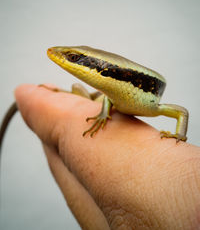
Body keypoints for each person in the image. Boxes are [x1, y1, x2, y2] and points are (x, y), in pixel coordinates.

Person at [15, 84, 200, 229]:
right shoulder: (110, 97)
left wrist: (180, 136)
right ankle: (60, 91)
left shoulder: (143, 104)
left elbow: (182, 112)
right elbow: (107, 99)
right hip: (87, 100)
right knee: (77, 89)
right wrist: (103, 114)